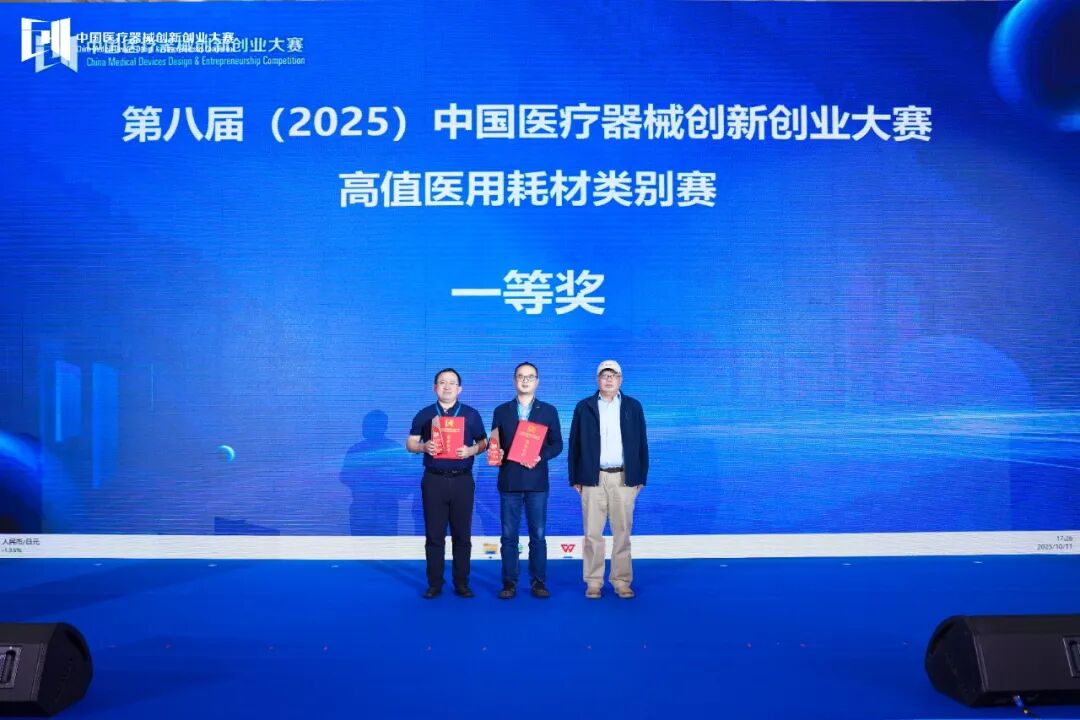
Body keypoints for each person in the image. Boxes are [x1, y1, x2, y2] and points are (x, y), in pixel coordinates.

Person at [567, 360, 649, 599]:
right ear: (597, 380)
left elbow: (642, 443)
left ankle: (622, 581)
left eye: (614, 375)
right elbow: (574, 444)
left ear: (620, 380)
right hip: (593, 479)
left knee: (622, 534)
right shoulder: (584, 407)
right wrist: (575, 477)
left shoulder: (633, 406)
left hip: (624, 478)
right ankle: (593, 581)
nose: (609, 379)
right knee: (592, 534)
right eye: (605, 375)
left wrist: (640, 476)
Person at [407, 368, 487, 599]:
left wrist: (471, 450)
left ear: (459, 389)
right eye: (442, 382)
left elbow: (484, 442)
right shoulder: (425, 414)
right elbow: (410, 443)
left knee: (462, 535)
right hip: (434, 480)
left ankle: (462, 582)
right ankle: (434, 583)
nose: (447, 386)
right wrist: (423, 447)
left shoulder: (471, 414)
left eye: (452, 383)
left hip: (462, 480)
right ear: (435, 387)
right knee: (434, 535)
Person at [489, 362, 563, 599]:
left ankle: (538, 582)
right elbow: (494, 443)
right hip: (510, 481)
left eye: (530, 377)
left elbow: (557, 444)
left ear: (537, 382)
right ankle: (509, 583)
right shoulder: (501, 411)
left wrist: (541, 456)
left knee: (538, 536)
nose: (525, 380)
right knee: (508, 536)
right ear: (514, 381)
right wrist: (496, 452)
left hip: (537, 482)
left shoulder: (548, 411)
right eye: (521, 376)